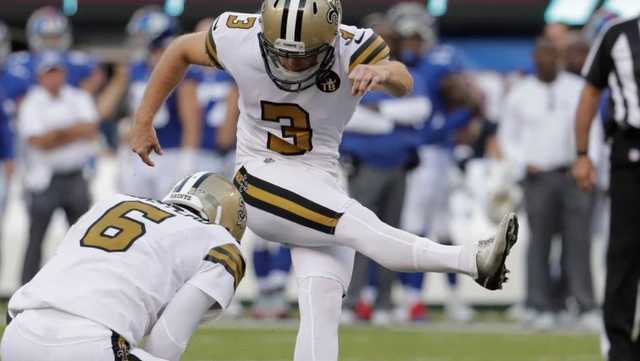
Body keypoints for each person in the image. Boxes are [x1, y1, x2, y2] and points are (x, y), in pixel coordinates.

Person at [130, 1, 518, 359]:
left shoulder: (353, 45)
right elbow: (180, 49)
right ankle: (472, 259)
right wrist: (144, 119)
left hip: (319, 179)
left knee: (323, 308)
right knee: (363, 228)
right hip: (259, 175)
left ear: (329, 43)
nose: (290, 64)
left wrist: (382, 71)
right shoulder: (239, 35)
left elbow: (403, 78)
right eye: (281, 52)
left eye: (303, 56)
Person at [0, 172, 247, 361]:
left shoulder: (111, 203)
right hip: (91, 344)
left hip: (18, 333)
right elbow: (165, 344)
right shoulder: (219, 241)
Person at [500, 37, 597, 330]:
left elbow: (593, 128)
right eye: (541, 56)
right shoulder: (521, 93)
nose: (546, 61)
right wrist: (522, 162)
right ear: (533, 59)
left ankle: (582, 305)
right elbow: (508, 136)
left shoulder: (577, 87)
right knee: (538, 243)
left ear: (559, 57)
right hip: (538, 176)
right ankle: (538, 305)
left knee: (577, 243)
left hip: (573, 174)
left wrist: (590, 164)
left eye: (551, 55)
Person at [390, 2, 478, 323]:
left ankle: (447, 297)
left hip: (436, 154)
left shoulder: (439, 62)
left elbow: (471, 99)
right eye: (406, 38)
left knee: (436, 227)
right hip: (416, 155)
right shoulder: (396, 64)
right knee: (417, 226)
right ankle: (411, 298)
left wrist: (452, 123)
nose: (411, 43)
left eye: (416, 37)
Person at [339, 12, 425, 324]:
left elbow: (420, 109)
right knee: (358, 237)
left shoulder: (406, 73)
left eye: (389, 39)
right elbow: (351, 118)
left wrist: (382, 111)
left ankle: (385, 302)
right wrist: (392, 119)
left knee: (392, 236)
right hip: (365, 167)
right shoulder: (350, 71)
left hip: (399, 167)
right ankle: (352, 302)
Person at [573, 15, 640, 360]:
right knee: (624, 253)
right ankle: (618, 345)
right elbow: (589, 93)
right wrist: (583, 154)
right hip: (631, 154)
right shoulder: (618, 35)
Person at [17, 51, 99, 284]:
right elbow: (39, 142)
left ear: (64, 73)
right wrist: (73, 131)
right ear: (41, 76)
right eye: (49, 73)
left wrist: (56, 134)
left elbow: (91, 128)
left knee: (82, 237)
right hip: (45, 179)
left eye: (57, 72)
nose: (54, 78)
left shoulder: (78, 96)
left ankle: (82, 286)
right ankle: (26, 289)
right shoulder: (32, 101)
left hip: (75, 176)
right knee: (36, 238)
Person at [118, 8, 202, 199]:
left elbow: (191, 119)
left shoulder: (180, 69)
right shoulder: (137, 68)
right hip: (140, 152)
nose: (138, 42)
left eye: (142, 36)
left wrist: (188, 156)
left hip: (171, 153)